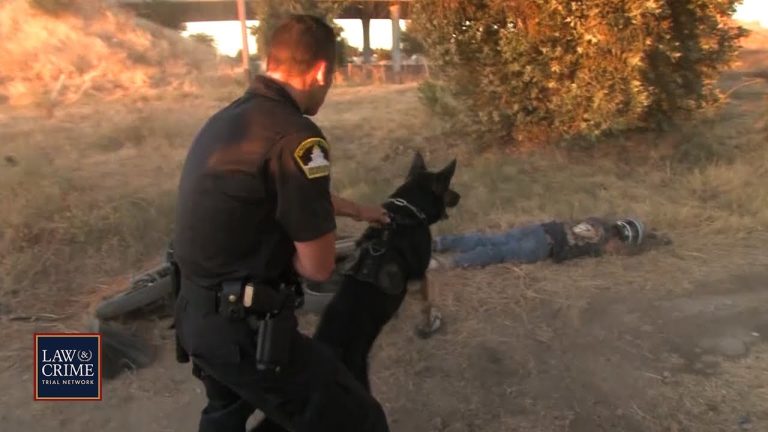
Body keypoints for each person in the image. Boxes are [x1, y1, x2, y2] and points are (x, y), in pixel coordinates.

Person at [172, 15, 390, 432]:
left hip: (195, 313)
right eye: (331, 79)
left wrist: (359, 211)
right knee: (359, 419)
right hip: (243, 332)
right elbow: (318, 267)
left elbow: (274, 194)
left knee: (226, 413)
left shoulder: (229, 119)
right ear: (321, 71)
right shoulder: (299, 138)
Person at [430, 217, 670, 269]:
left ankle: (441, 243)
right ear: (621, 240)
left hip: (541, 229)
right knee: (499, 253)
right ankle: (449, 263)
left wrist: (653, 236)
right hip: (543, 246)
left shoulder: (598, 221)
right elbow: (616, 251)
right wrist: (656, 241)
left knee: (492, 239)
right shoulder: (605, 244)